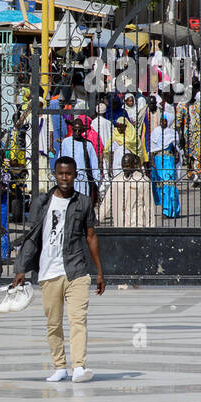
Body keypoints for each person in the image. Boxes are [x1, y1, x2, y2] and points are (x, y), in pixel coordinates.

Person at [12, 157, 105, 385]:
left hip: (76, 270)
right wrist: (21, 268)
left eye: (69, 174)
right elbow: (32, 236)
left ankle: (79, 367)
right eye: (61, 174)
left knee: (78, 319)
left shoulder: (83, 202)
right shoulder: (42, 202)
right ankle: (60, 366)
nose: (65, 178)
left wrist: (100, 272)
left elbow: (91, 236)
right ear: (54, 174)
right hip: (48, 272)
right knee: (53, 324)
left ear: (75, 175)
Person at [98, 153, 156, 227]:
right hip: (119, 224)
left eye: (127, 166)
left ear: (133, 165)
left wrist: (150, 227)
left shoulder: (143, 181)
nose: (125, 168)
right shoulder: (117, 180)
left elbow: (149, 206)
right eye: (123, 166)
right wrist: (97, 219)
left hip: (136, 224)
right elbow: (107, 202)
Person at [57, 118, 100, 202]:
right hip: (68, 178)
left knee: (81, 203)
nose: (77, 132)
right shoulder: (66, 142)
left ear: (82, 131)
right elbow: (60, 160)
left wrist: (96, 181)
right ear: (72, 129)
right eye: (75, 130)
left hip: (83, 180)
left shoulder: (88, 144)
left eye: (79, 130)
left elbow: (94, 165)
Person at [148, 114, 182, 218]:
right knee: (161, 186)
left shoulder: (172, 133)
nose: (162, 122)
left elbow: (176, 149)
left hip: (168, 161)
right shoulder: (155, 132)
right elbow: (152, 149)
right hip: (158, 161)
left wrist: (177, 157)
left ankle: (169, 211)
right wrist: (152, 162)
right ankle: (165, 208)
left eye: (165, 120)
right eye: (161, 120)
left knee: (169, 185)